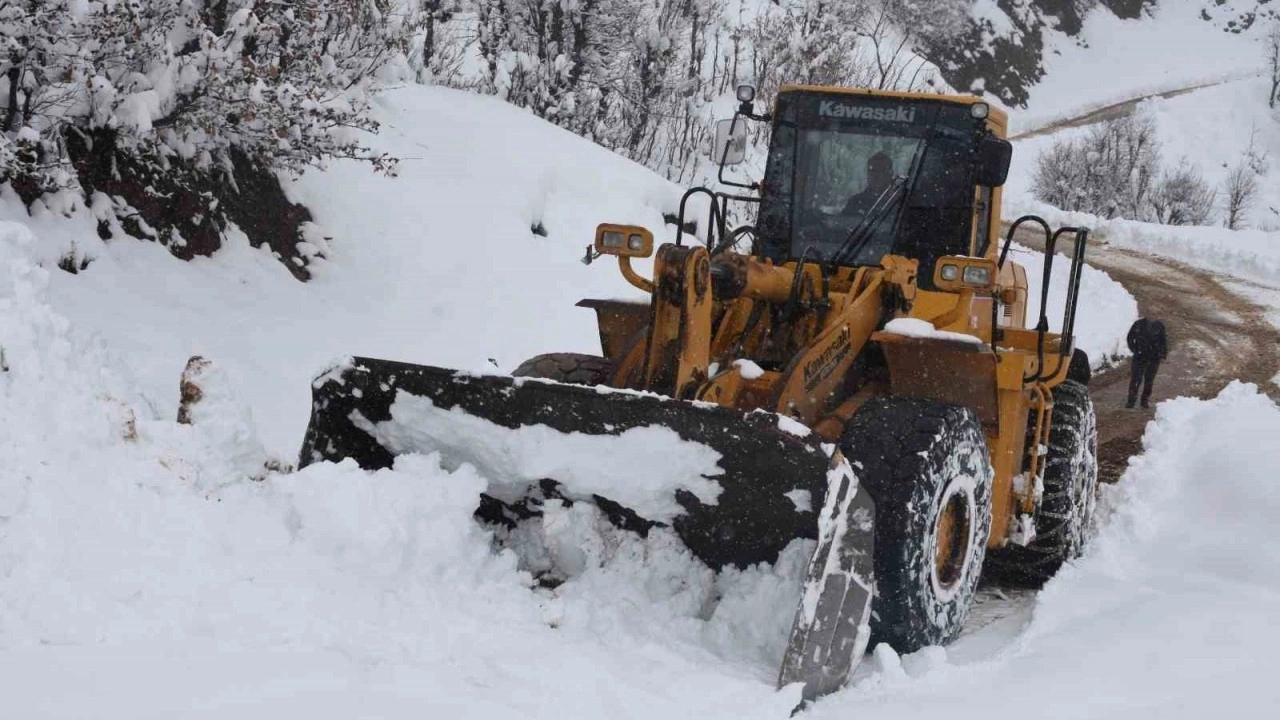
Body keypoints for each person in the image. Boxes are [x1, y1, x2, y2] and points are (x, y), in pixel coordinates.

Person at [1126, 317, 1168, 408]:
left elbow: (1163, 341)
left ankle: (1144, 401)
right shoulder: (1138, 324)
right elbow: (1130, 337)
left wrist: (1162, 354)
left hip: (1154, 358)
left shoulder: (1160, 326)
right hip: (1139, 357)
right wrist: (1134, 349)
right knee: (1136, 379)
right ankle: (1131, 400)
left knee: (1149, 380)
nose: (1152, 315)